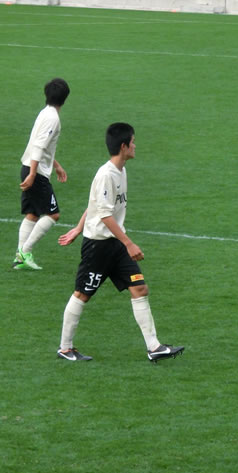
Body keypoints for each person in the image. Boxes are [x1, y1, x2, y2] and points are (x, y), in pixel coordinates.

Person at [56, 122, 184, 363]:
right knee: (82, 293)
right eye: (133, 142)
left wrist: (78, 228)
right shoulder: (106, 175)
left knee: (139, 288)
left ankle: (154, 347)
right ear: (123, 146)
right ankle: (65, 348)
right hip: (99, 246)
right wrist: (129, 243)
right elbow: (104, 214)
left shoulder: (121, 171)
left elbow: (96, 205)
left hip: (115, 244)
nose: (135, 146)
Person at [14, 78, 70, 271]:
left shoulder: (45, 113)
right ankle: (25, 251)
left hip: (29, 167)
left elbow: (40, 146)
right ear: (65, 98)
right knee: (53, 214)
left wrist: (56, 165)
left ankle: (20, 258)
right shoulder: (53, 118)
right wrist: (32, 174)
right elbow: (38, 147)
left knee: (33, 213)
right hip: (35, 172)